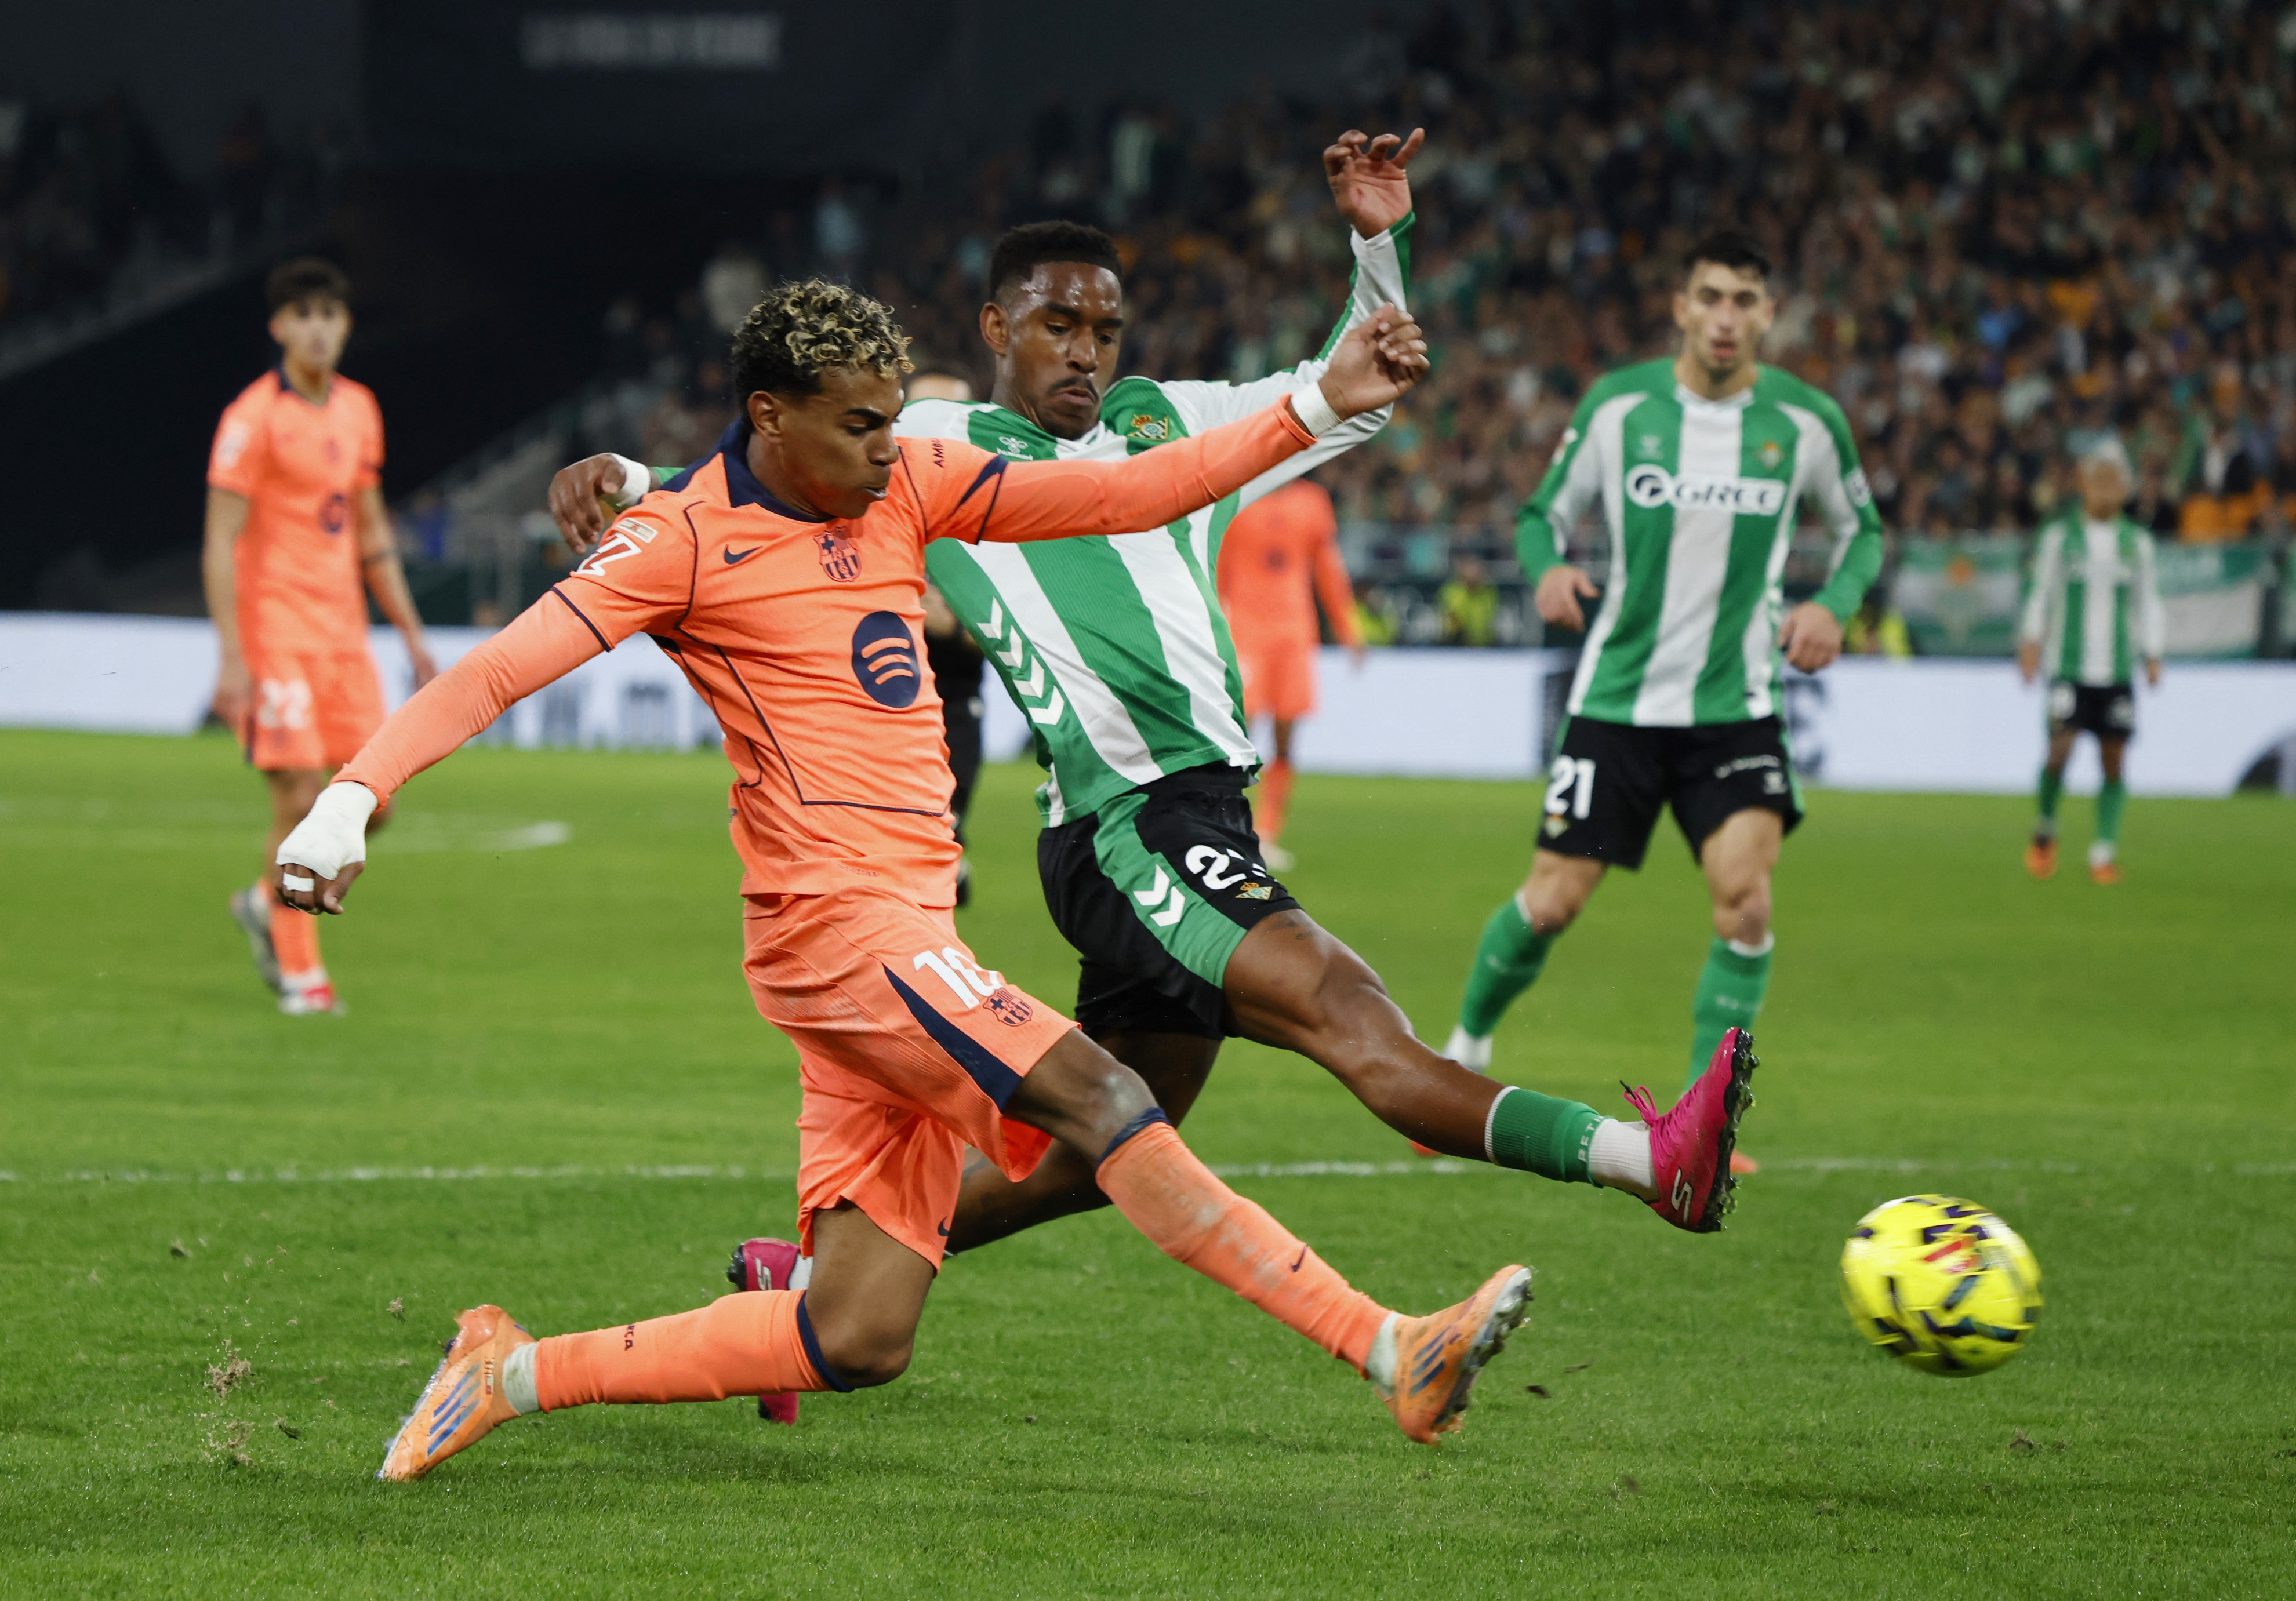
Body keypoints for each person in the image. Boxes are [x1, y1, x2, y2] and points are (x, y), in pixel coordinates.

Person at [275, 282, 1539, 1476]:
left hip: (895, 935)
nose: (894, 447)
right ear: (770, 415)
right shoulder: (677, 540)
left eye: (895, 421)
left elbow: (1137, 490)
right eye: (862, 424)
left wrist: (1317, 402)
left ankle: (509, 1373)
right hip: (839, 934)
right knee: (1101, 1098)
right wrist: (350, 799)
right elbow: (495, 670)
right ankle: (1387, 1347)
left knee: (857, 1335)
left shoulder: (912, 484)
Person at [554, 137, 1755, 1301]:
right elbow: (762, 468)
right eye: (1055, 326)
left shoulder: (1166, 421)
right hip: (1129, 824)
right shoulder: (928, 450)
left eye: (1102, 329)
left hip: (1189, 811)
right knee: (1354, 1021)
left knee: (1092, 1155)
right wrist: (622, 473)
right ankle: (1651, 1164)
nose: (1083, 351)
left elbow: (1355, 393)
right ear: (994, 330)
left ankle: (806, 1282)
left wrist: (1377, 248)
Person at [1444, 231, 1880, 1144]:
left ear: (1768, 313)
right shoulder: (1620, 408)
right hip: (1618, 704)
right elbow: (1540, 515)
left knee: (1746, 900)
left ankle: (1701, 1123)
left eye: (1744, 300)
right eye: (1710, 297)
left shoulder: (1803, 424)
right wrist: (1547, 571)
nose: (1726, 318)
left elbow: (1862, 531)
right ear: (1681, 307)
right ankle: (1462, 1053)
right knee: (1553, 901)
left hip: (1737, 708)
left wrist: (1835, 604)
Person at [205, 257, 435, 1016]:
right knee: (301, 797)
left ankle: (262, 904)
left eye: (329, 315)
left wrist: (409, 634)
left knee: (377, 800)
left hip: (344, 636)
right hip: (276, 631)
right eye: (301, 315)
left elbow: (371, 532)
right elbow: (219, 543)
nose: (317, 328)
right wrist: (232, 656)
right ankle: (303, 975)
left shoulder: (359, 409)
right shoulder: (251, 418)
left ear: (346, 326)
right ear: (278, 327)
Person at [2018, 437, 2164, 885]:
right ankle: (2045, 828)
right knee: (2059, 748)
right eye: (2097, 480)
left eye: (2113, 481)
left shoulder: (2136, 543)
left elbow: (2147, 602)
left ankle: (2103, 850)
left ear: (2125, 488)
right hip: (2068, 664)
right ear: (2083, 484)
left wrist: (2152, 652)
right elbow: (2040, 591)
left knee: (2113, 757)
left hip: (2116, 668)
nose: (2105, 489)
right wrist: (2029, 640)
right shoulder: (2060, 537)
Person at [1214, 476, 1365, 869]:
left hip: (1295, 634)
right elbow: (1218, 568)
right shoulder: (1238, 497)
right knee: (1236, 736)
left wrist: (1348, 625)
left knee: (1285, 736)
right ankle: (1225, 828)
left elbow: (1326, 566)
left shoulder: (1313, 501)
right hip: (1244, 633)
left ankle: (1266, 834)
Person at [907, 370, 990, 905]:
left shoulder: (991, 517)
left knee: (934, 846)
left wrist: (955, 626)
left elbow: (1032, 632)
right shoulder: (866, 506)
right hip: (875, 704)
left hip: (953, 705)